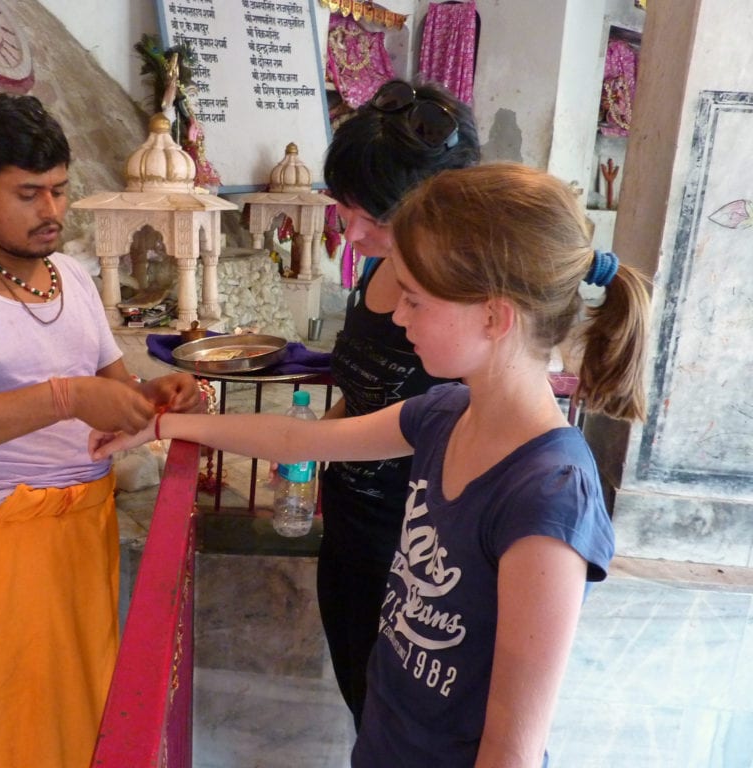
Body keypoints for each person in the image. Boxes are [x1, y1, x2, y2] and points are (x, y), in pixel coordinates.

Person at [91, 163, 650, 767]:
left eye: (414, 298)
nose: (398, 315)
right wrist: (163, 425)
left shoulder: (547, 495)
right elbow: (295, 440)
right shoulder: (445, 414)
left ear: (494, 316)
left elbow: (511, 749)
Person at [0, 91, 198, 768]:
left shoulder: (74, 279)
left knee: (87, 717)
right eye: (28, 194)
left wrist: (154, 396)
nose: (51, 211)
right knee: (7, 732)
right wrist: (60, 399)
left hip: (85, 527)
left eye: (58, 190)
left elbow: (111, 390)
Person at [319, 77, 480, 728]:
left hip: (419, 562)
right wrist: (313, 450)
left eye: (375, 216)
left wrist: (295, 442)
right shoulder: (380, 267)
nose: (353, 233)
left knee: (406, 733)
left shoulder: (463, 306)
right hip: (351, 536)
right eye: (344, 209)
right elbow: (364, 396)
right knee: (366, 715)